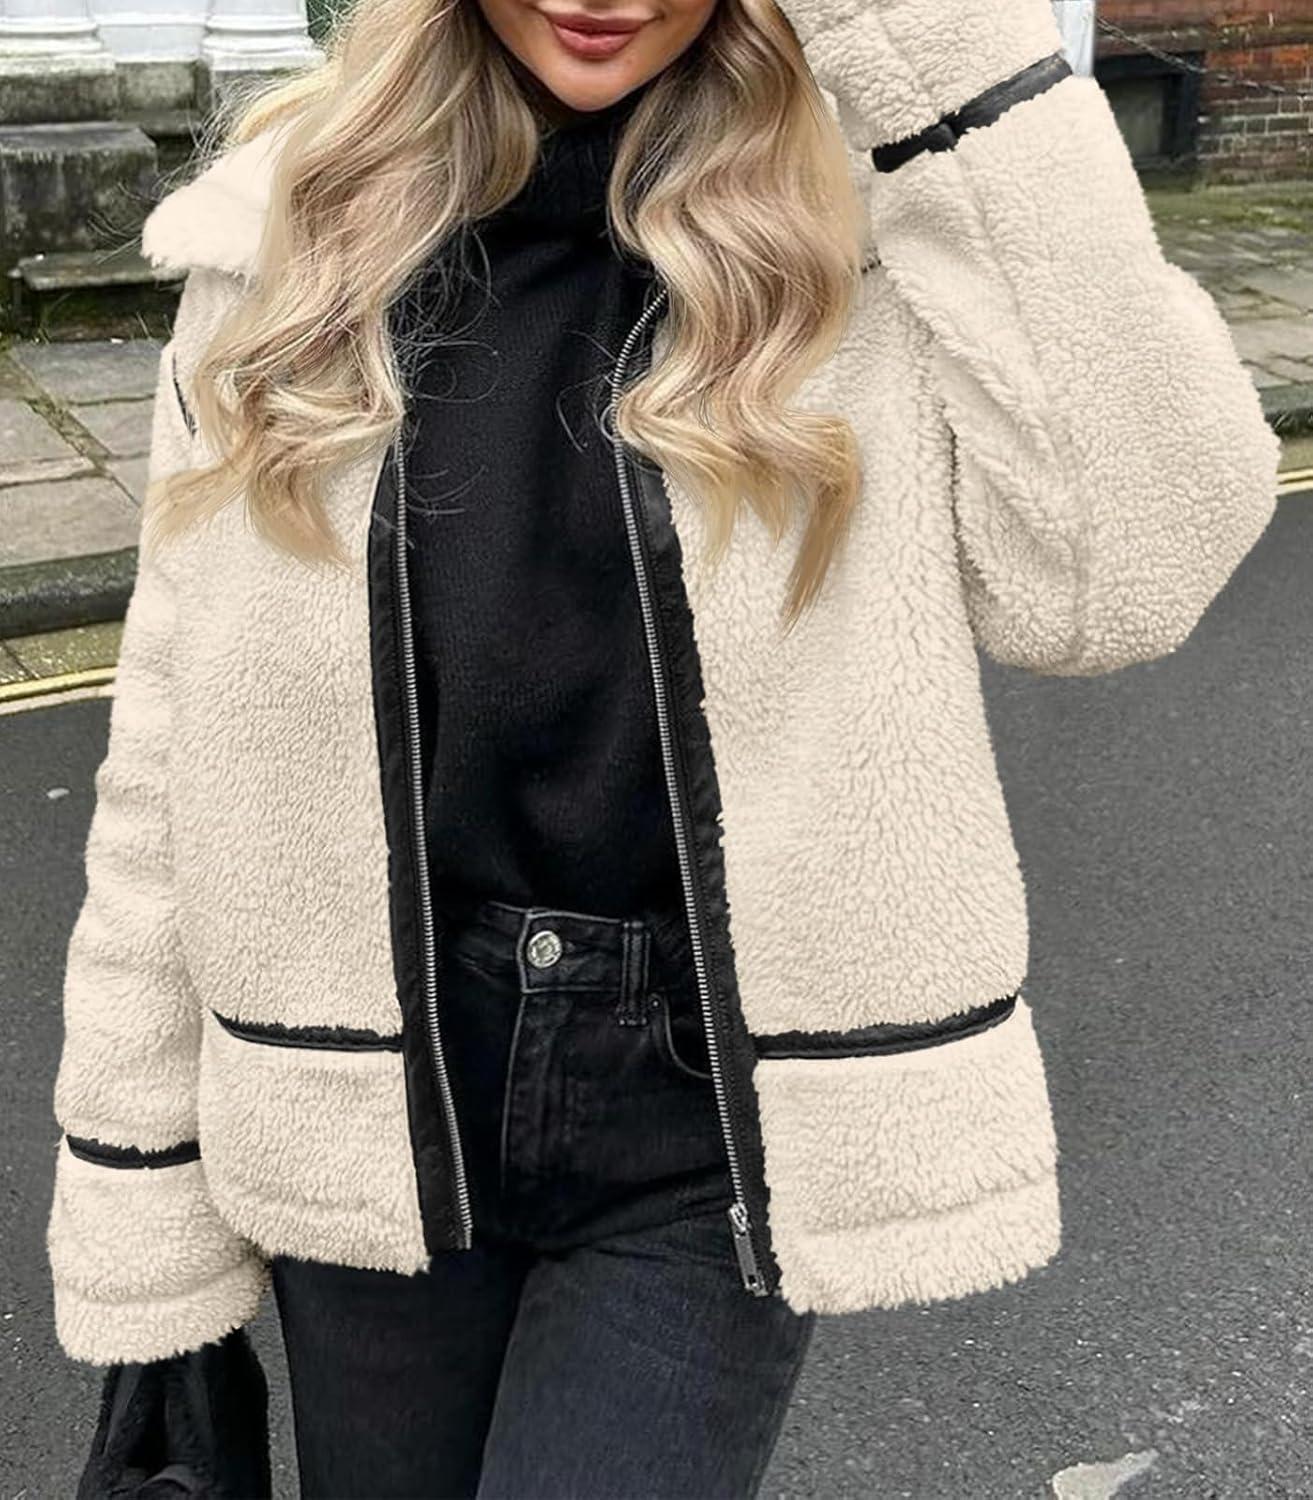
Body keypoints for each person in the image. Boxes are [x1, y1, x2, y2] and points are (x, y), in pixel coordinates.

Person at [44, 0, 1281, 1492]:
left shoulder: (888, 216)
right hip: (366, 1091)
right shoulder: (289, 235)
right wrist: (134, 1185)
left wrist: (946, 63)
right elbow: (170, 751)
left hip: (705, 1112)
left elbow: (1121, 582)